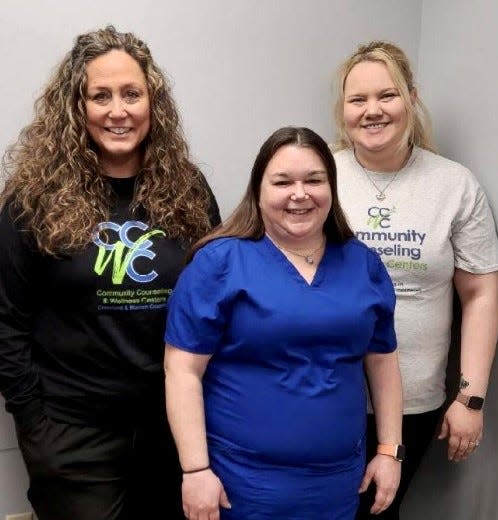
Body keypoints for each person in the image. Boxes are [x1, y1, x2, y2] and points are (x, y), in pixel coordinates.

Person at [0, 25, 220, 520]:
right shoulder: (32, 200)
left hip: (171, 427)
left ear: (152, 103)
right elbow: (5, 320)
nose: (117, 111)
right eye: (100, 96)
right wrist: (36, 424)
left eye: (131, 94)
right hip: (73, 433)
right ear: (77, 108)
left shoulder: (189, 190)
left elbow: (210, 302)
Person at [164, 126, 403, 519]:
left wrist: (390, 451)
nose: (299, 194)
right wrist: (195, 469)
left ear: (331, 188)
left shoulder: (363, 264)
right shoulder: (219, 263)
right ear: (258, 190)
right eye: (282, 181)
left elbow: (383, 361)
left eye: (314, 180)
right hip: (241, 484)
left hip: (339, 481)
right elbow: (182, 370)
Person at [331, 40, 498, 519]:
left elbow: (481, 292)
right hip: (325, 388)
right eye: (357, 100)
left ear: (411, 98)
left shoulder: (454, 184)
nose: (372, 110)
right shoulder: (320, 173)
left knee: (379, 510)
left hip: (415, 397)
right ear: (342, 110)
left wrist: (470, 397)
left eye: (386, 95)